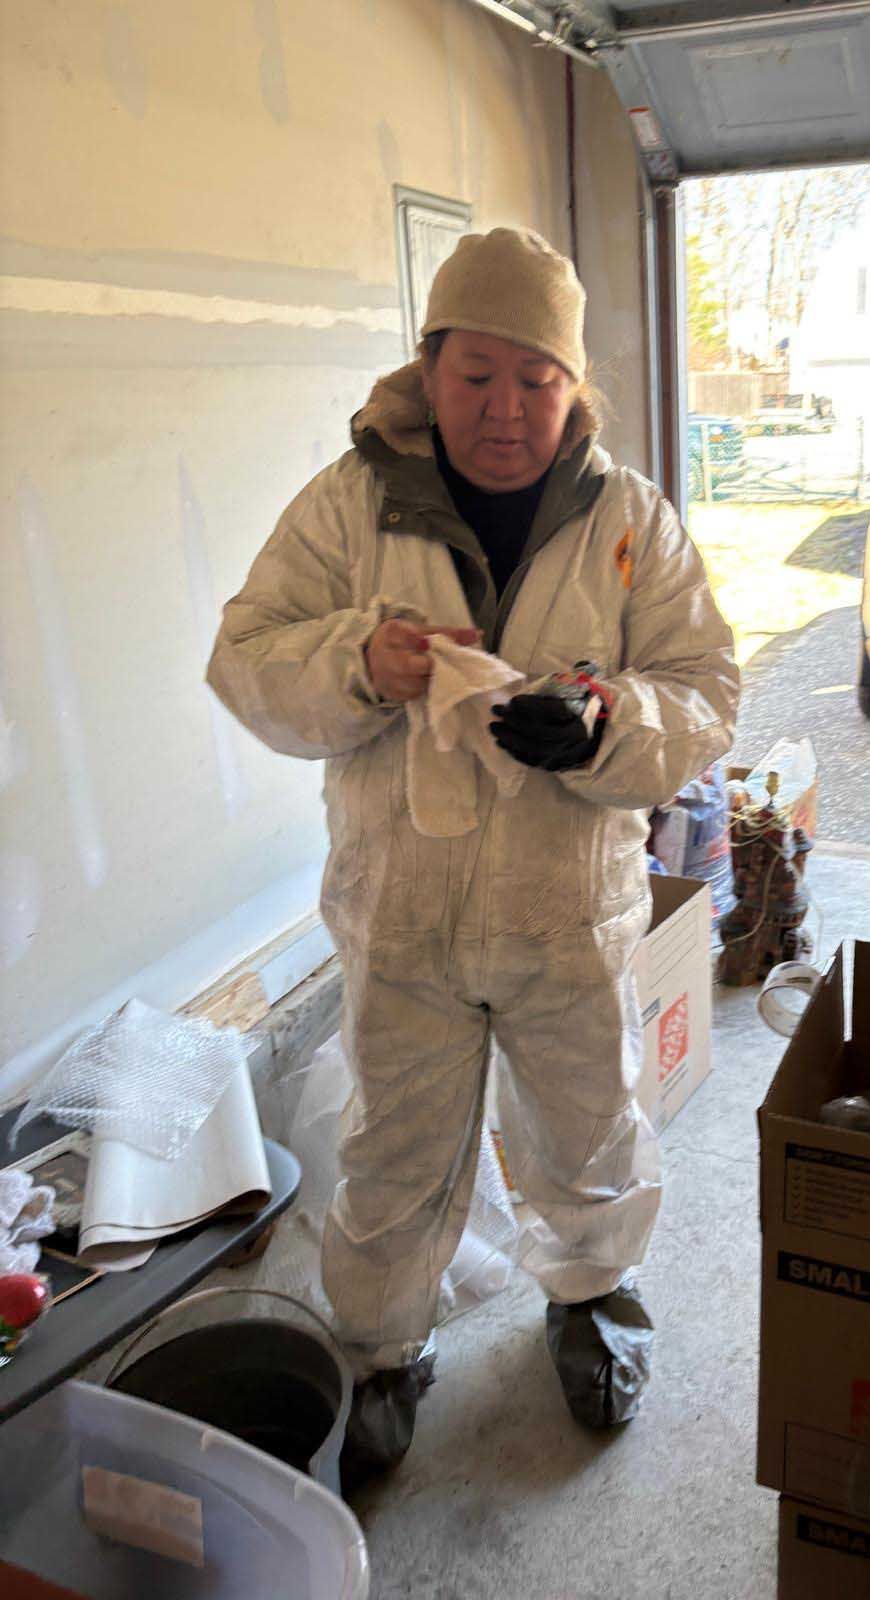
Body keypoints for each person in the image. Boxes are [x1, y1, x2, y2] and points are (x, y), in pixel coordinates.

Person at [207, 227, 738, 1489]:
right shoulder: (350, 504)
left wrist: (611, 723)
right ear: (430, 367)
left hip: (570, 912)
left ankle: (593, 1299)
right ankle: (382, 1348)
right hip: (402, 912)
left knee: (587, 1124)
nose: (506, 409)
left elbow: (707, 689)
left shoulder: (632, 520)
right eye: (477, 372)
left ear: (574, 387)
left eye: (536, 377)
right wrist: (359, 658)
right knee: (395, 1143)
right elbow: (244, 659)